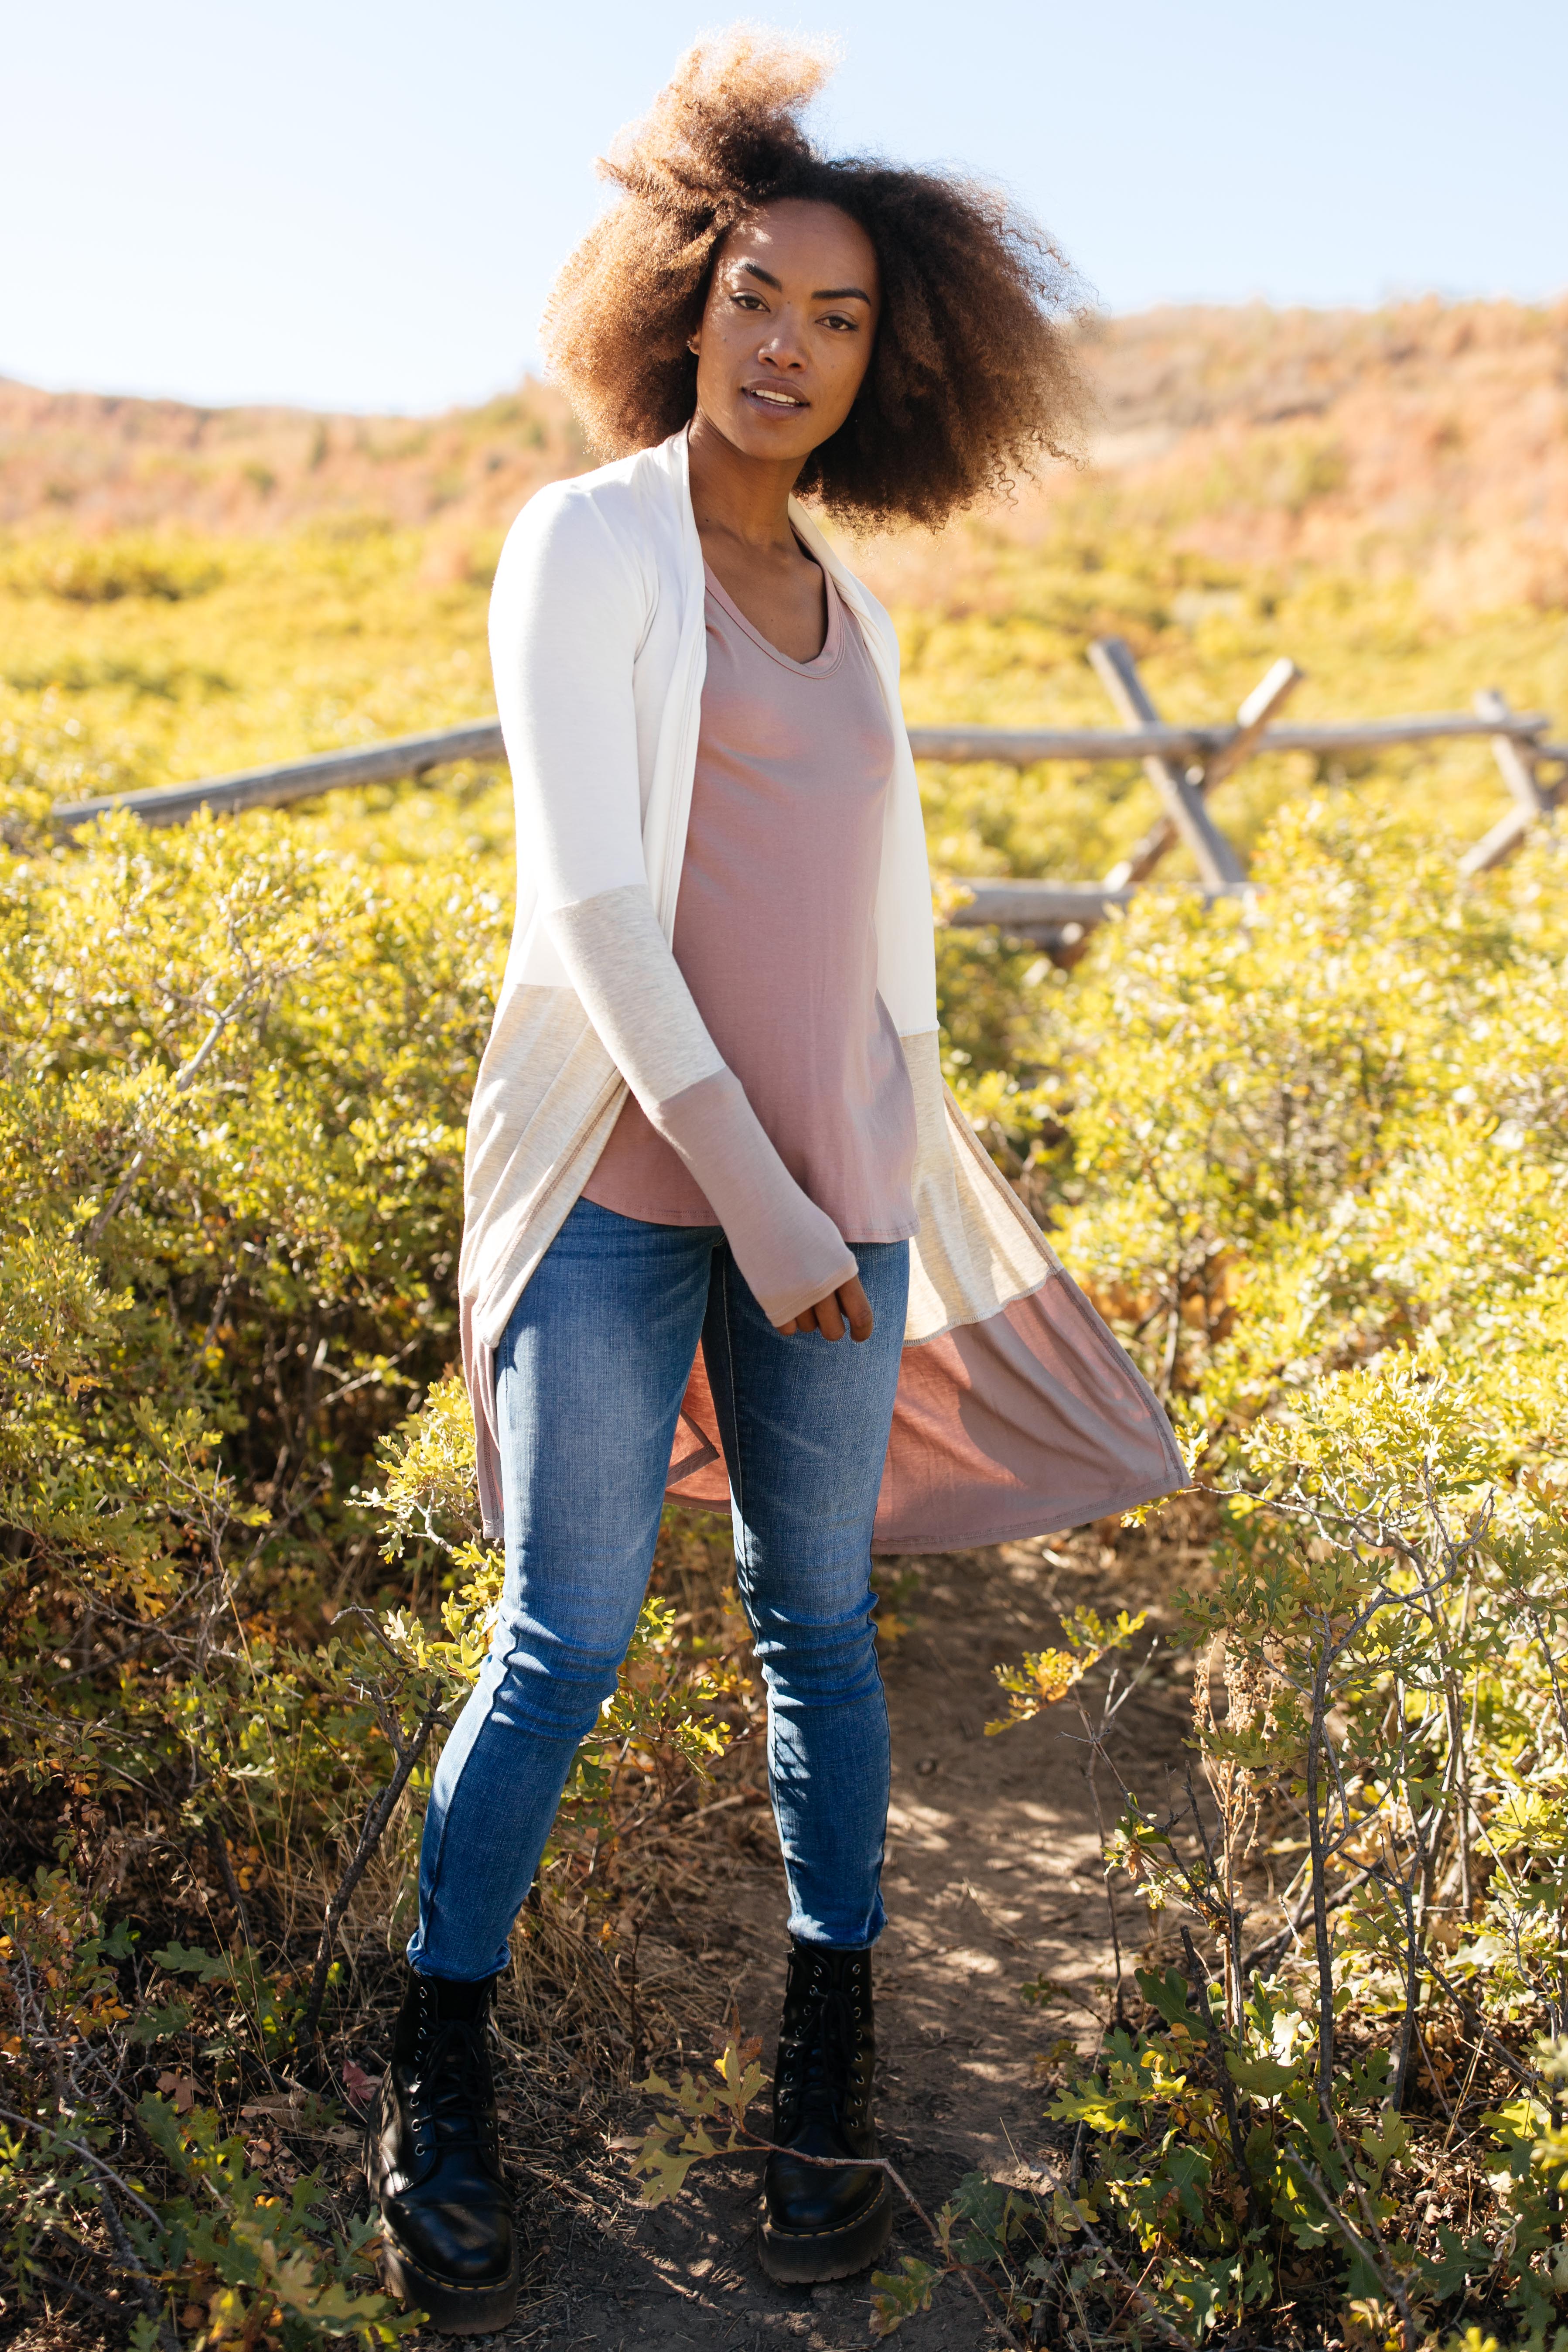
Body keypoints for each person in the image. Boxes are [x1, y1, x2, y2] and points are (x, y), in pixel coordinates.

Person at [366, 30, 1182, 2330]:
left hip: (839, 1194)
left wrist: (879, 1173)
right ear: (680, 297)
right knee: (575, 1629)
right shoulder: (586, 542)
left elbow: (873, 945)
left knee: (825, 1631)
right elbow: (602, 914)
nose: (788, 346)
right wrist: (765, 1199)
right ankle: (439, 2069)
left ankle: (823, 2080)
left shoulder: (860, 609)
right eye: (755, 297)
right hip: (636, 1196)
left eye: (837, 317)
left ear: (881, 359)